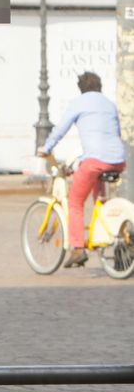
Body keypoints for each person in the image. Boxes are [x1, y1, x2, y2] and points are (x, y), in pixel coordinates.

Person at [38, 70, 126, 267]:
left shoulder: (79, 103)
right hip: (117, 160)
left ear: (81, 89)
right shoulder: (109, 104)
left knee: (75, 202)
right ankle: (110, 234)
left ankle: (78, 249)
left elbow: (60, 129)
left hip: (95, 160)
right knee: (99, 199)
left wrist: (46, 148)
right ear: (99, 86)